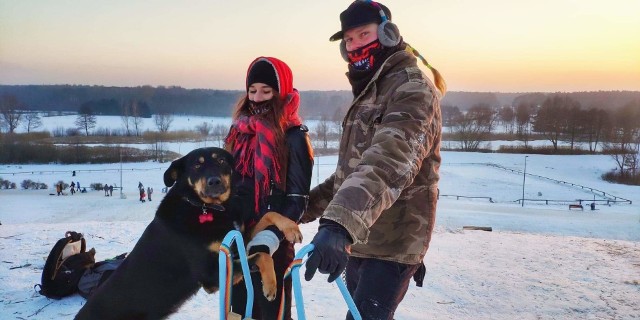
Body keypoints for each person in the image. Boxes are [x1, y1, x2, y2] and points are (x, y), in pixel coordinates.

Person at [300, 2, 446, 319]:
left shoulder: (412, 88)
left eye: (363, 35)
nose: (355, 46)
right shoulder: (371, 92)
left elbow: (390, 162)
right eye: (349, 41)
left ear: (388, 34)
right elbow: (350, 174)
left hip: (394, 241)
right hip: (361, 238)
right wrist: (301, 207)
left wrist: (338, 225)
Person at [225, 56, 313, 320]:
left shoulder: (294, 136)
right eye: (252, 90)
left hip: (272, 243)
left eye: (266, 90)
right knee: (236, 313)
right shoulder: (238, 132)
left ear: (280, 92)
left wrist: (268, 239)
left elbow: (297, 200)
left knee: (269, 313)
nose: (258, 97)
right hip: (239, 238)